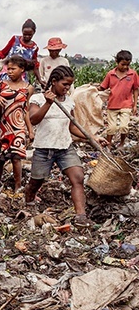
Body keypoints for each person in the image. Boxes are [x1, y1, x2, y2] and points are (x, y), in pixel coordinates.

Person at [25, 66, 108, 228]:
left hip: (64, 147)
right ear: (54, 82)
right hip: (44, 148)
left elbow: (73, 127)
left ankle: (80, 216)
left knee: (78, 178)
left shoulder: (69, 102)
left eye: (69, 85)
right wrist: (48, 103)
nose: (67, 88)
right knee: (36, 181)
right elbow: (34, 119)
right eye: (64, 84)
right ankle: (28, 202)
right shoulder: (38, 99)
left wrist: (92, 137)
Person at [0, 56, 34, 193]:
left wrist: (30, 130)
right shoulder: (1, 84)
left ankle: (18, 186)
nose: (10, 71)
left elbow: (26, 109)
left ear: (22, 69)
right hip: (2, 125)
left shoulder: (28, 88)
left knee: (16, 158)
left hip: (18, 126)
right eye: (8, 69)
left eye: (13, 69)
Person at [98, 50, 138, 147]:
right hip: (112, 104)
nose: (125, 67)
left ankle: (122, 143)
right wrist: (92, 89)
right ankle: (109, 144)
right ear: (117, 62)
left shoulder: (133, 74)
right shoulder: (110, 74)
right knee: (111, 128)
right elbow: (103, 87)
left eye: (127, 65)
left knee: (124, 126)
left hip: (126, 104)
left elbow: (136, 89)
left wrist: (135, 104)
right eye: (123, 64)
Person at [0, 19, 42, 86]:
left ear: (34, 32)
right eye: (25, 34)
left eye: (30, 35)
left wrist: (39, 80)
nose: (27, 36)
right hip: (8, 72)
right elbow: (3, 53)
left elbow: (35, 65)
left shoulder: (34, 47)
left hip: (21, 75)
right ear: (22, 31)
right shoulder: (15, 39)